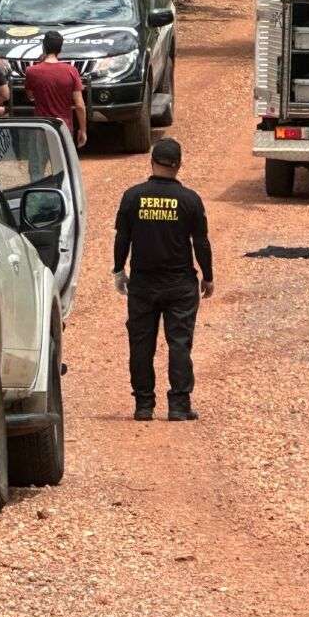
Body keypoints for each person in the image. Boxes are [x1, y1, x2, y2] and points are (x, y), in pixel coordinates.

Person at [112, 138, 214, 422]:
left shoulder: (133, 196)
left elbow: (123, 237)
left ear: (152, 161)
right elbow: (201, 242)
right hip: (180, 284)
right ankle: (179, 405)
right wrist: (208, 276)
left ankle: (144, 405)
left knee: (141, 343)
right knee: (179, 343)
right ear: (179, 165)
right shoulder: (190, 199)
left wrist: (119, 270)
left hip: (143, 284)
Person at [24, 31, 88, 148]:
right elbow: (79, 105)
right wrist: (83, 130)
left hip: (41, 126)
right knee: (64, 163)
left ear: (43, 47)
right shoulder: (71, 71)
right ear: (60, 48)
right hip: (63, 127)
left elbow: (31, 96)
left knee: (37, 164)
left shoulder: (31, 71)